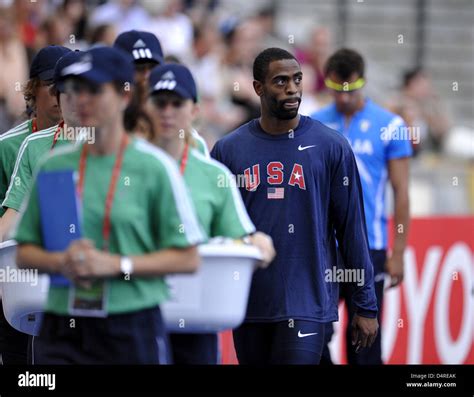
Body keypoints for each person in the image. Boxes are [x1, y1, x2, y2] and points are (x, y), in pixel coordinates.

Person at [14, 46, 205, 364]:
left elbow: (188, 258)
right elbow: (24, 252)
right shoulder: (52, 164)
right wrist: (62, 261)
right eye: (75, 88)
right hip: (62, 324)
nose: (81, 99)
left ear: (124, 97)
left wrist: (118, 266)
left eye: (94, 89)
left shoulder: (154, 168)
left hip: (130, 323)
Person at [211, 47, 378, 365]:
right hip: (249, 303)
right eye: (281, 81)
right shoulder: (228, 150)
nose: (292, 88)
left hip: (307, 302)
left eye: (297, 79)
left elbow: (352, 229)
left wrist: (365, 305)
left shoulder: (331, 146)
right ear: (258, 88)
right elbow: (215, 228)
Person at [144, 63, 275, 364]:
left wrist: (258, 242)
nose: (167, 112)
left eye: (176, 103)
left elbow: (238, 236)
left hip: (195, 319)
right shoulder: (122, 168)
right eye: (159, 102)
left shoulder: (214, 175)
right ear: (144, 108)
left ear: (194, 111)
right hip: (136, 316)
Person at [312, 48, 412, 364]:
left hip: (369, 246)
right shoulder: (313, 123)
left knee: (364, 339)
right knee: (313, 335)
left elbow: (402, 191)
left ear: (363, 82)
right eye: (336, 90)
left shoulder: (390, 125)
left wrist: (398, 252)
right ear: (327, 83)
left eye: (350, 91)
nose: (343, 99)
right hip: (324, 247)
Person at [0, 45, 70, 366]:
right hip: (18, 276)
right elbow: (7, 219)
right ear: (31, 89)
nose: (59, 94)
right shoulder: (12, 147)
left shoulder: (106, 144)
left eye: (70, 85)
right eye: (52, 84)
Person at [1, 51, 84, 237]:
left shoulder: (116, 145)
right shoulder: (24, 146)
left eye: (84, 88)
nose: (77, 98)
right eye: (63, 89)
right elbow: (13, 212)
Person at [114, 29, 209, 155]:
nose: (146, 77)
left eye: (153, 68)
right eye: (138, 69)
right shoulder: (99, 132)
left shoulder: (191, 141)